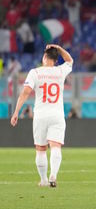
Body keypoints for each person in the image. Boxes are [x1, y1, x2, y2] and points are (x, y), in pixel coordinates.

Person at [10, 44, 73, 188]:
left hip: (40, 115)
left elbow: (25, 92)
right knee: (56, 146)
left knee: (40, 149)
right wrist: (58, 47)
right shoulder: (60, 71)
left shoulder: (35, 72)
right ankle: (54, 175)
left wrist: (16, 112)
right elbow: (70, 60)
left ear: (44, 57)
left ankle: (44, 179)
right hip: (57, 115)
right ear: (56, 60)